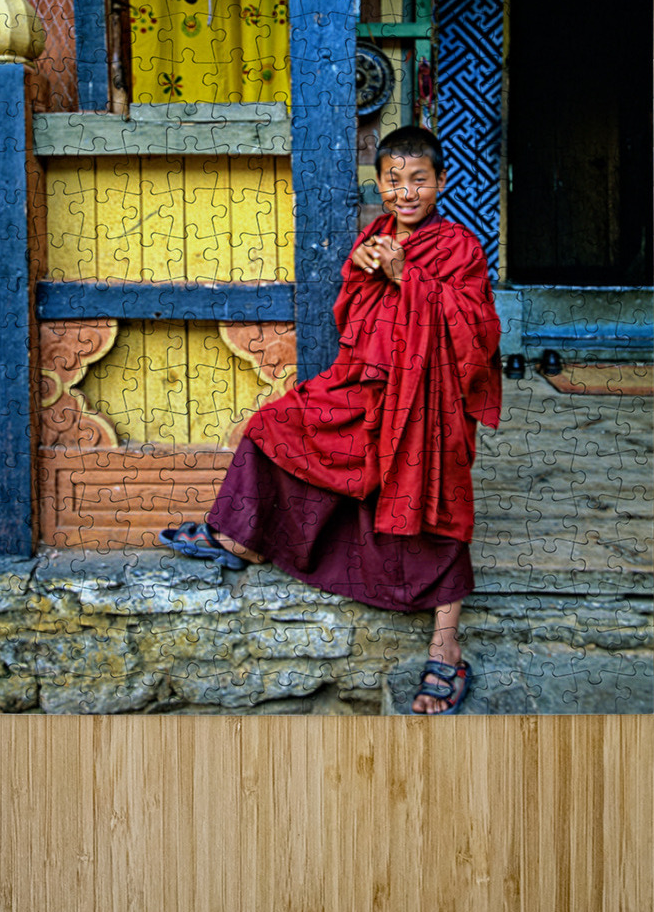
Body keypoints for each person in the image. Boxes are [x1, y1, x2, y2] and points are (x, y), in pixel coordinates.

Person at [161, 127, 502, 714]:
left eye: (418, 180)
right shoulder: (373, 237)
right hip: (363, 387)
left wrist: (408, 276)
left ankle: (446, 648)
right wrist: (364, 268)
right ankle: (242, 538)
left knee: (436, 501)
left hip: (426, 399)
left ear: (441, 182)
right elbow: (351, 313)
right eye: (393, 181)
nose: (406, 192)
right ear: (379, 184)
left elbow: (478, 331)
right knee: (275, 426)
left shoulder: (460, 248)